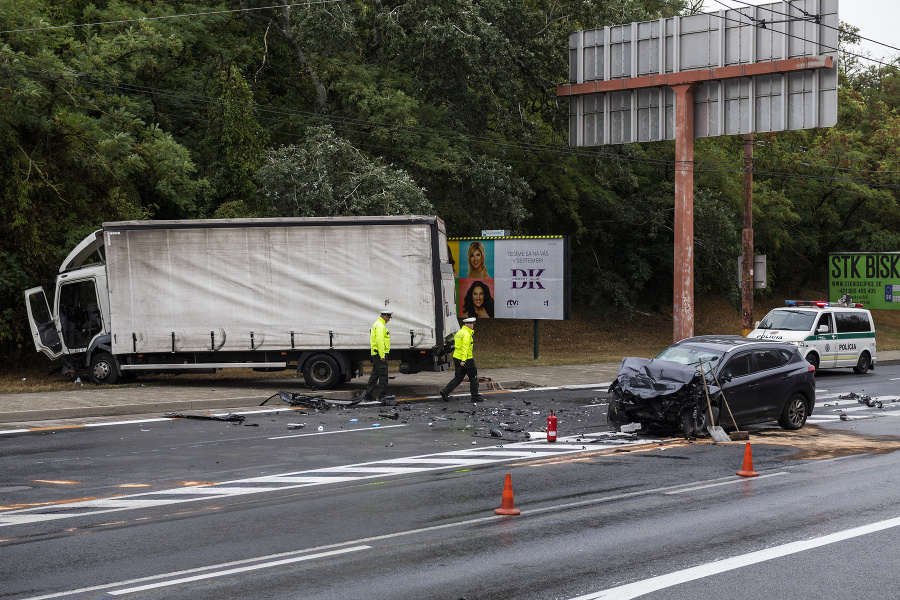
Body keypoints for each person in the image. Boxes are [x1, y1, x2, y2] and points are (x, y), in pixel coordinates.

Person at [440, 317, 483, 402]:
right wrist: (464, 360)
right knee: (473, 378)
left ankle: (445, 392)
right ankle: (475, 397)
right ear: (470, 324)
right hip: (467, 359)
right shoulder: (467, 334)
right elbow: (465, 348)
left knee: (458, 378)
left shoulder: (459, 333)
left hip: (457, 358)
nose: (473, 325)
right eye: (473, 324)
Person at [360, 310, 391, 403]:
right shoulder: (380, 326)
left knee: (375, 374)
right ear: (384, 316)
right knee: (383, 375)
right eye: (388, 317)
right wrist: (382, 355)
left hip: (376, 353)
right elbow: (380, 341)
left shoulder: (376, 324)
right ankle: (382, 396)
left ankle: (368, 394)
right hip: (379, 353)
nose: (389, 320)